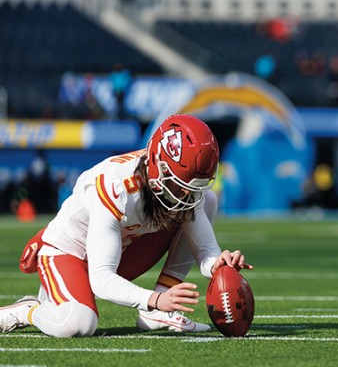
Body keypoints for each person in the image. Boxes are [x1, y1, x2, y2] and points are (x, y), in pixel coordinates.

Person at [0, 114, 252, 337]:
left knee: (207, 199)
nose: (186, 195)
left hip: (124, 246)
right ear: (157, 166)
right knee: (77, 323)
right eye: (179, 185)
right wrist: (154, 299)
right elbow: (101, 278)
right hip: (71, 253)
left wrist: (219, 264)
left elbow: (205, 249)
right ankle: (28, 310)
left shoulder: (186, 190)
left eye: (191, 187)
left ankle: (156, 314)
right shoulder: (116, 186)